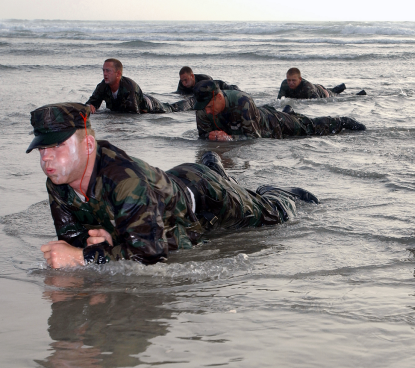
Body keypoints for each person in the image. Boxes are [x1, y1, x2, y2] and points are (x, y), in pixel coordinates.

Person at [28, 103, 318, 268]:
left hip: (206, 200)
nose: (48, 158)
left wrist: (83, 256)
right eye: (42, 150)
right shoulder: (59, 181)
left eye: (57, 147)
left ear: (88, 145)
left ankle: (274, 191)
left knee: (274, 214)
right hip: (170, 189)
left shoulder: (123, 180)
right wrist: (94, 243)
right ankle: (213, 165)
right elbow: (69, 236)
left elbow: (149, 254)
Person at [194, 80, 365, 141]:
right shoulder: (202, 109)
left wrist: (229, 138)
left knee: (309, 128)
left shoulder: (242, 101)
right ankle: (288, 111)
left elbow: (253, 137)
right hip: (260, 118)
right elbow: (202, 134)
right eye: (204, 109)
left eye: (210, 107)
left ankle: (343, 120)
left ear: (218, 97)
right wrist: (208, 136)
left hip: (273, 124)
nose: (207, 112)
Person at [86, 59, 192, 114]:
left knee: (172, 108)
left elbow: (133, 115)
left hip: (152, 106)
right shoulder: (102, 86)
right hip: (140, 98)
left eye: (108, 71)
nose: (104, 74)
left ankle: (192, 102)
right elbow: (91, 103)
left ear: (118, 74)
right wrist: (90, 106)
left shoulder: (129, 87)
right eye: (103, 70)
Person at [277, 67, 347, 99]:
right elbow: (279, 100)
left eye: (293, 80)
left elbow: (318, 102)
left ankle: (344, 87)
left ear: (300, 79)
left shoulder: (307, 87)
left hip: (322, 92)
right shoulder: (285, 84)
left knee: (335, 94)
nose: (291, 83)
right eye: (289, 80)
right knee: (333, 90)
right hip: (315, 88)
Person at [176, 66, 240, 95]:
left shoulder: (204, 79)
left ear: (192, 76)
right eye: (182, 81)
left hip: (221, 86)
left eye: (186, 80)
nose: (184, 83)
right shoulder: (181, 83)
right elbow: (179, 93)